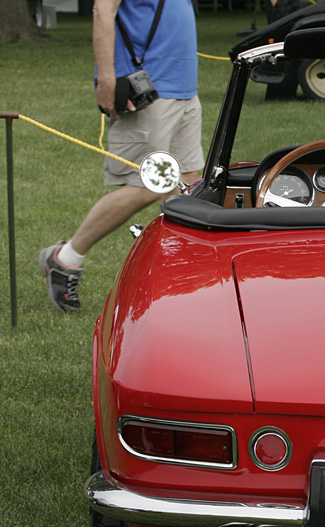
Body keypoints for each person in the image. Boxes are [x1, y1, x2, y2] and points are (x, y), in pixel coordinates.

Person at [39, 0, 202, 312]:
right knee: (148, 186)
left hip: (183, 89)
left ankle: (179, 281)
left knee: (186, 186)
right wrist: (107, 79)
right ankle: (65, 258)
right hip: (149, 90)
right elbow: (102, 10)